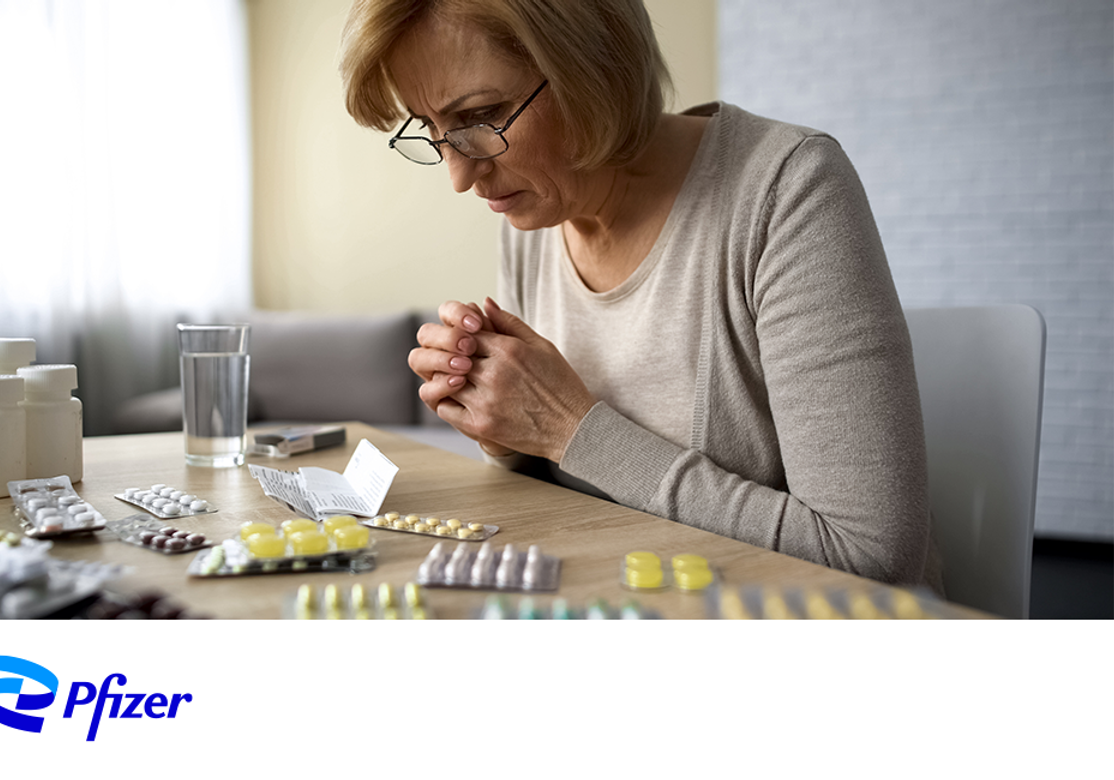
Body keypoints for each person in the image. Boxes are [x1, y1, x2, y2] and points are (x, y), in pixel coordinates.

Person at [339, 0, 940, 589]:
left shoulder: (787, 189)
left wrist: (572, 430)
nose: (460, 176)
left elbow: (869, 557)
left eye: (480, 115)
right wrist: (506, 434)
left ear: (592, 68)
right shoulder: (532, 219)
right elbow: (573, 492)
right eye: (434, 130)